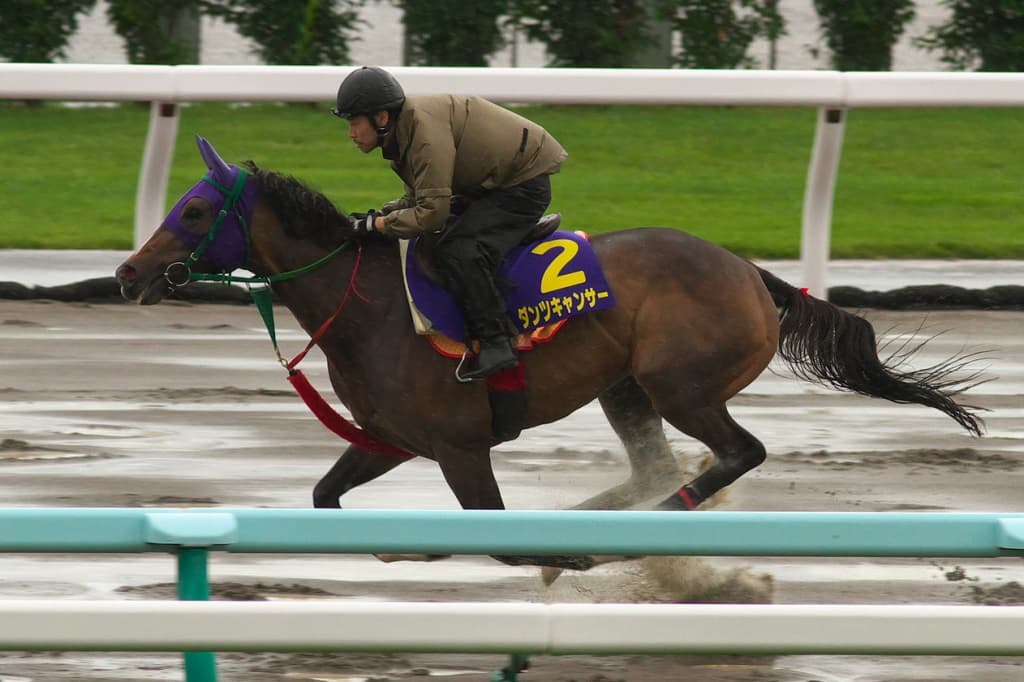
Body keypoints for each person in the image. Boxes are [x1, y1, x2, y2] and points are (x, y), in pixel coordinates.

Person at [332, 66, 568, 381]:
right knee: (436, 243)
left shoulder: (423, 134)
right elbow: (421, 196)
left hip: (522, 183)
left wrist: (378, 226)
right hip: (492, 181)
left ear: (382, 118)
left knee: (459, 250)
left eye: (354, 123)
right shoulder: (405, 131)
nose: (351, 133)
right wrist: (380, 216)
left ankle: (497, 343)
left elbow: (431, 213)